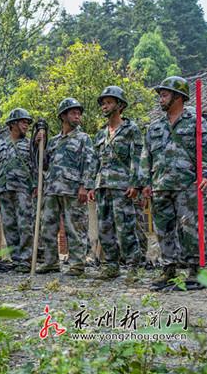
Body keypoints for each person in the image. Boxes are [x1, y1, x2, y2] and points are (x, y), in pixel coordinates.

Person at [140, 76, 207, 290]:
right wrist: (145, 183)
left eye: (164, 95)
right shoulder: (154, 127)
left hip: (188, 184)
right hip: (160, 185)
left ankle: (198, 270)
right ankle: (169, 270)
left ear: (178, 97)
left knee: (192, 228)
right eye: (160, 95)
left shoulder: (195, 121)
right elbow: (146, 156)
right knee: (164, 229)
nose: (160, 99)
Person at [87, 86, 143, 279]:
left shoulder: (131, 129)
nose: (104, 106)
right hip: (102, 186)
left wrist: (135, 184)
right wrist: (91, 185)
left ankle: (133, 266)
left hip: (122, 186)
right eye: (103, 103)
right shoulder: (100, 134)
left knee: (126, 226)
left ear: (119, 105)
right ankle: (111, 265)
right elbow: (95, 161)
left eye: (109, 102)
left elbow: (137, 158)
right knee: (105, 227)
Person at [36, 98, 95, 276]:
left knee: (75, 227)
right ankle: (50, 261)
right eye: (73, 112)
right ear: (63, 116)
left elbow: (90, 163)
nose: (77, 115)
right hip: (52, 190)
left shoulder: (83, 138)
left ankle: (77, 263)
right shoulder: (53, 141)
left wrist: (85, 186)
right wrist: (40, 143)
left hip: (73, 189)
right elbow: (44, 165)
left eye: (79, 113)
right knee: (48, 226)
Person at [0, 108, 36, 272]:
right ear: (13, 124)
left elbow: (37, 167)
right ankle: (16, 259)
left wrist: (36, 185)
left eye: (27, 123)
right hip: (4, 189)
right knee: (9, 225)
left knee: (25, 225)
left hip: (23, 189)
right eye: (23, 122)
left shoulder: (30, 144)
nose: (26, 125)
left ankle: (26, 259)